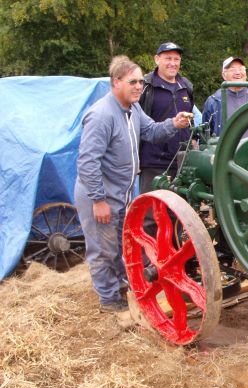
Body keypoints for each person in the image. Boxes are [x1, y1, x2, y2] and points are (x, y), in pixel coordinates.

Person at [74, 55, 192, 313]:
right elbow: (87, 162)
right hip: (100, 197)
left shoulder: (133, 109)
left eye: (140, 81)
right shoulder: (101, 115)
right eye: (133, 82)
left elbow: (151, 132)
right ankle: (110, 303)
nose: (139, 86)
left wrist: (175, 123)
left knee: (121, 247)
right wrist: (98, 200)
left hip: (122, 195)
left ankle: (122, 291)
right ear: (116, 82)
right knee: (102, 251)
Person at [139, 42, 194, 193]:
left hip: (183, 163)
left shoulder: (186, 87)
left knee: (179, 212)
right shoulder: (146, 86)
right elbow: (137, 123)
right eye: (168, 58)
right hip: (153, 163)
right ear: (157, 59)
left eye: (176, 59)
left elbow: (192, 123)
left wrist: (193, 143)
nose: (173, 63)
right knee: (152, 211)